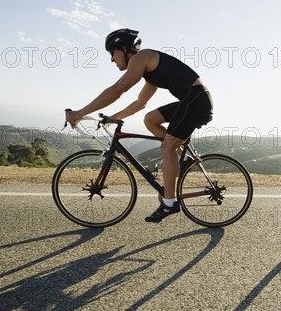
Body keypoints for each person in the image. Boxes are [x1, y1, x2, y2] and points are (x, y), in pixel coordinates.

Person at [66, 28, 213, 223]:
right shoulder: (150, 70)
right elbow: (140, 103)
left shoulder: (142, 57)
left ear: (124, 48)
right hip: (193, 99)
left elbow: (117, 90)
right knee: (150, 119)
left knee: (167, 146)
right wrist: (113, 117)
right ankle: (181, 159)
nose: (111, 59)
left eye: (112, 53)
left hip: (196, 100)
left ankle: (169, 203)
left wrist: (79, 113)